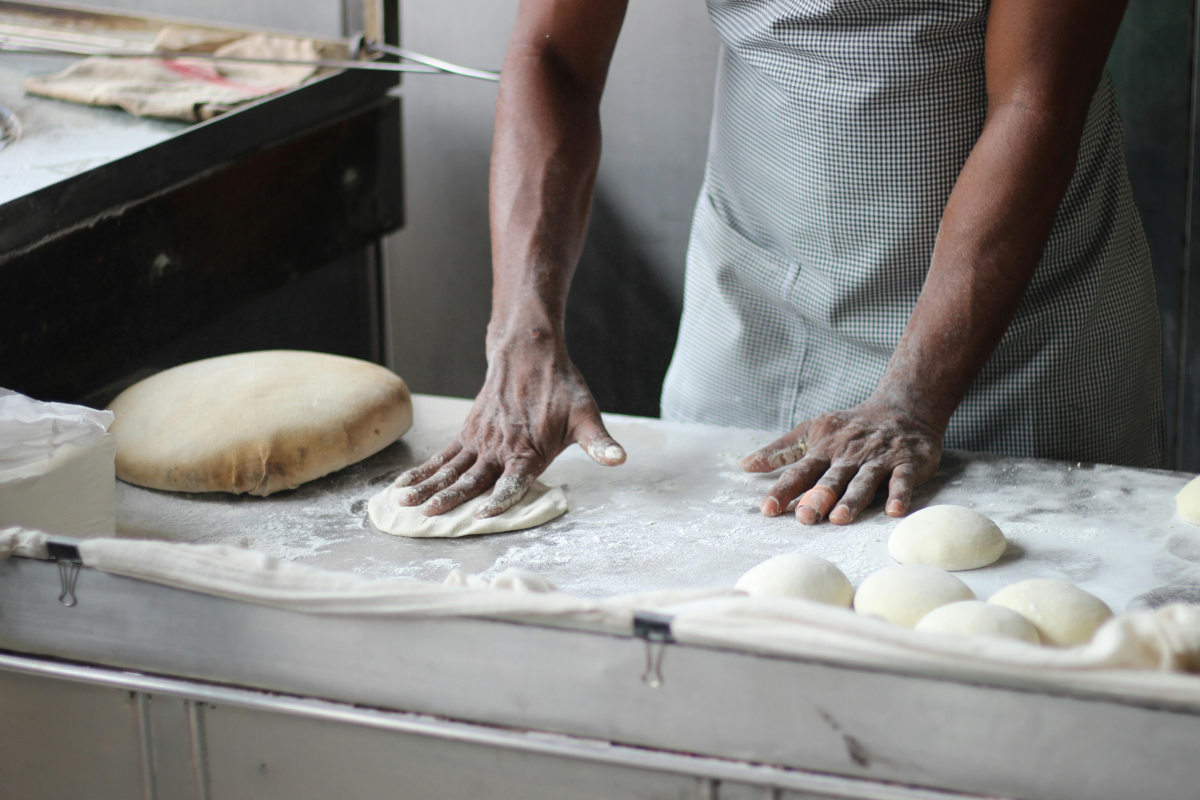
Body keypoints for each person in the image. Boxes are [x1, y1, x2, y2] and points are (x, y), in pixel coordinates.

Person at [394, 0, 1162, 527]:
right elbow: (555, 55)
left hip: (1017, 335)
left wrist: (914, 397)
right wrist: (521, 332)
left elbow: (1037, 100)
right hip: (757, 304)